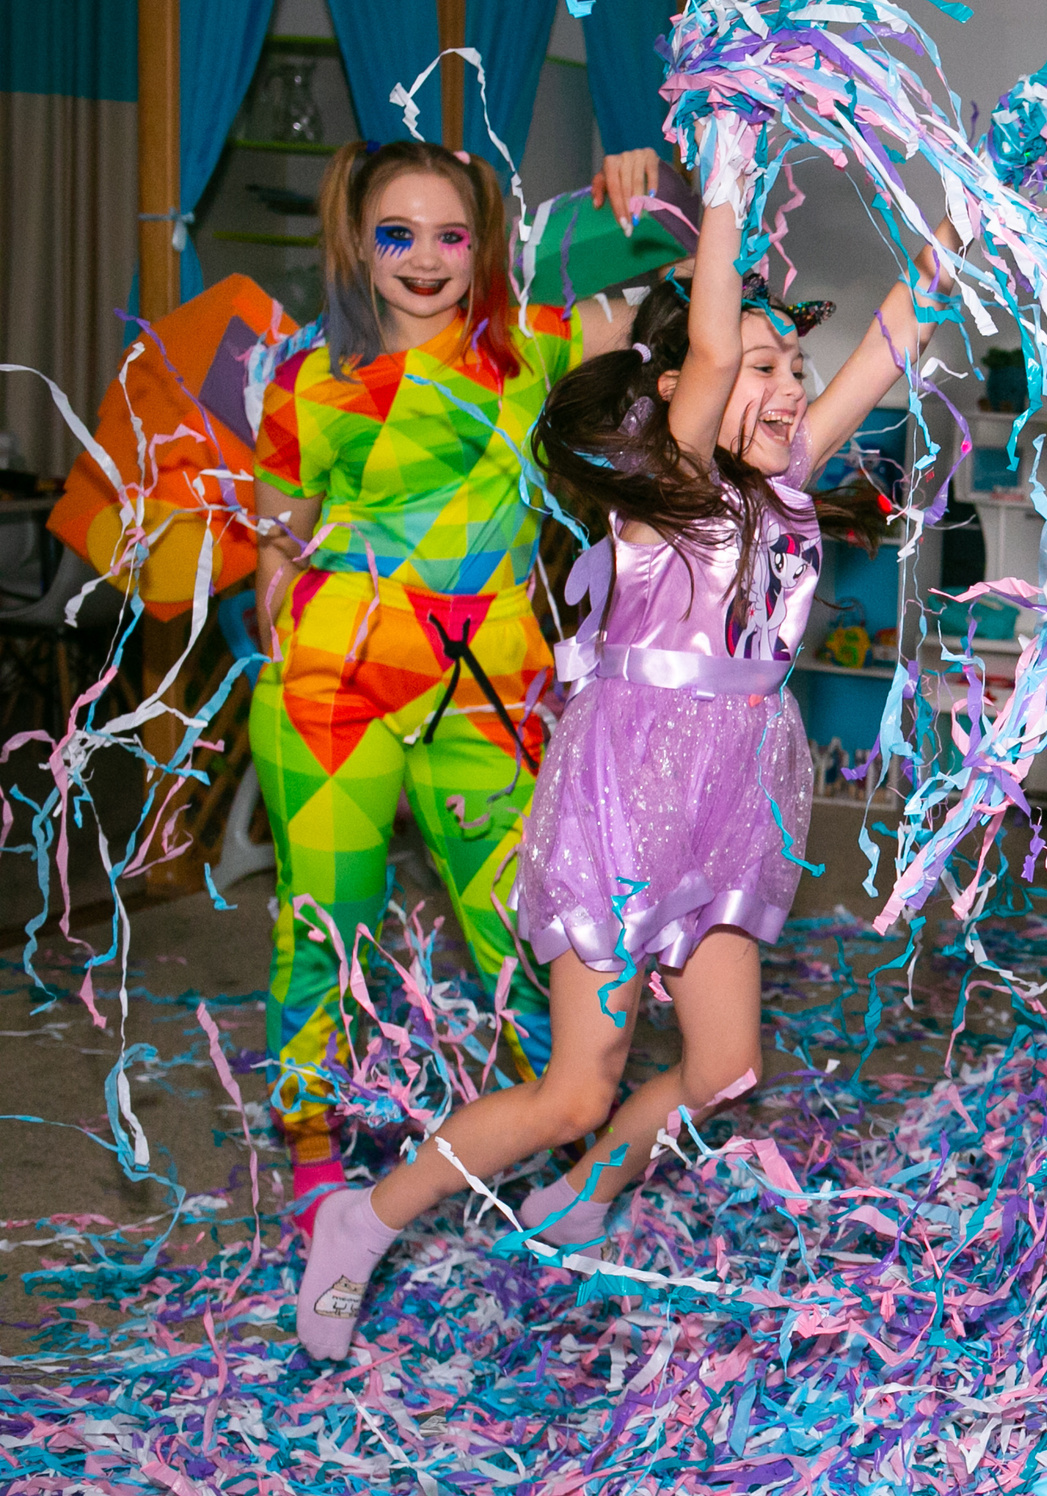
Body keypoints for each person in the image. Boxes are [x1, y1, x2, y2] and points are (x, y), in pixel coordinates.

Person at [292, 194, 959, 1360]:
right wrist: (726, 186)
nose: (792, 385)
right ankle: (365, 1219)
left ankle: (585, 1190)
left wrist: (968, 222)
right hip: (621, 807)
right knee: (575, 1086)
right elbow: (703, 350)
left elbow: (893, 338)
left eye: (796, 363)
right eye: (764, 364)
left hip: (731, 805)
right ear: (680, 388)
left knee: (726, 1064)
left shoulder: (787, 485)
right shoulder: (669, 491)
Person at [251, 140, 673, 1227]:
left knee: (524, 923)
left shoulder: (536, 349)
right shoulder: (311, 382)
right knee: (327, 920)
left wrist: (634, 182)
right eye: (398, 233)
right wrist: (276, 578)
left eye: (452, 234)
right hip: (334, 681)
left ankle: (547, 1118)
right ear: (358, 241)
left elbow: (676, 263)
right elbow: (279, 524)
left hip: (494, 685)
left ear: (485, 245)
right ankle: (311, 1144)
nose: (427, 259)